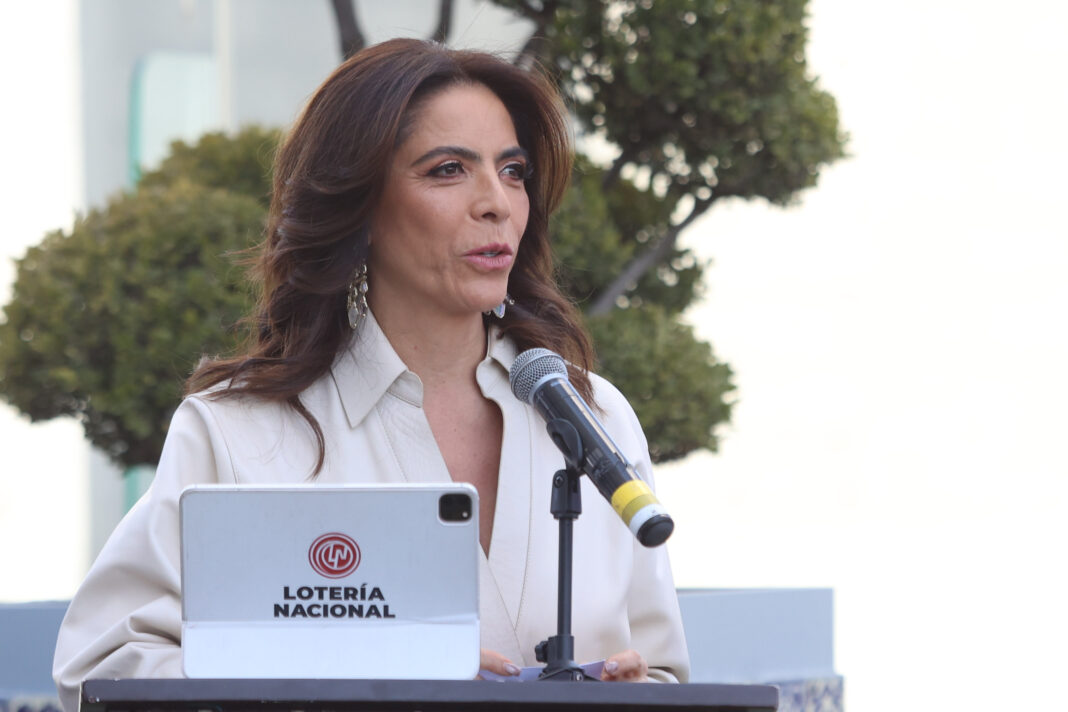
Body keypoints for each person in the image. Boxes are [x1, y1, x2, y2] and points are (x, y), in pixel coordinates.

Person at [52, 38, 689, 710]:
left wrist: (628, 693)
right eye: (448, 170)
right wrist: (362, 672)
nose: (497, 203)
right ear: (360, 205)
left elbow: (669, 676)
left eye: (513, 171)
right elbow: (101, 672)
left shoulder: (596, 415)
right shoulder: (240, 433)